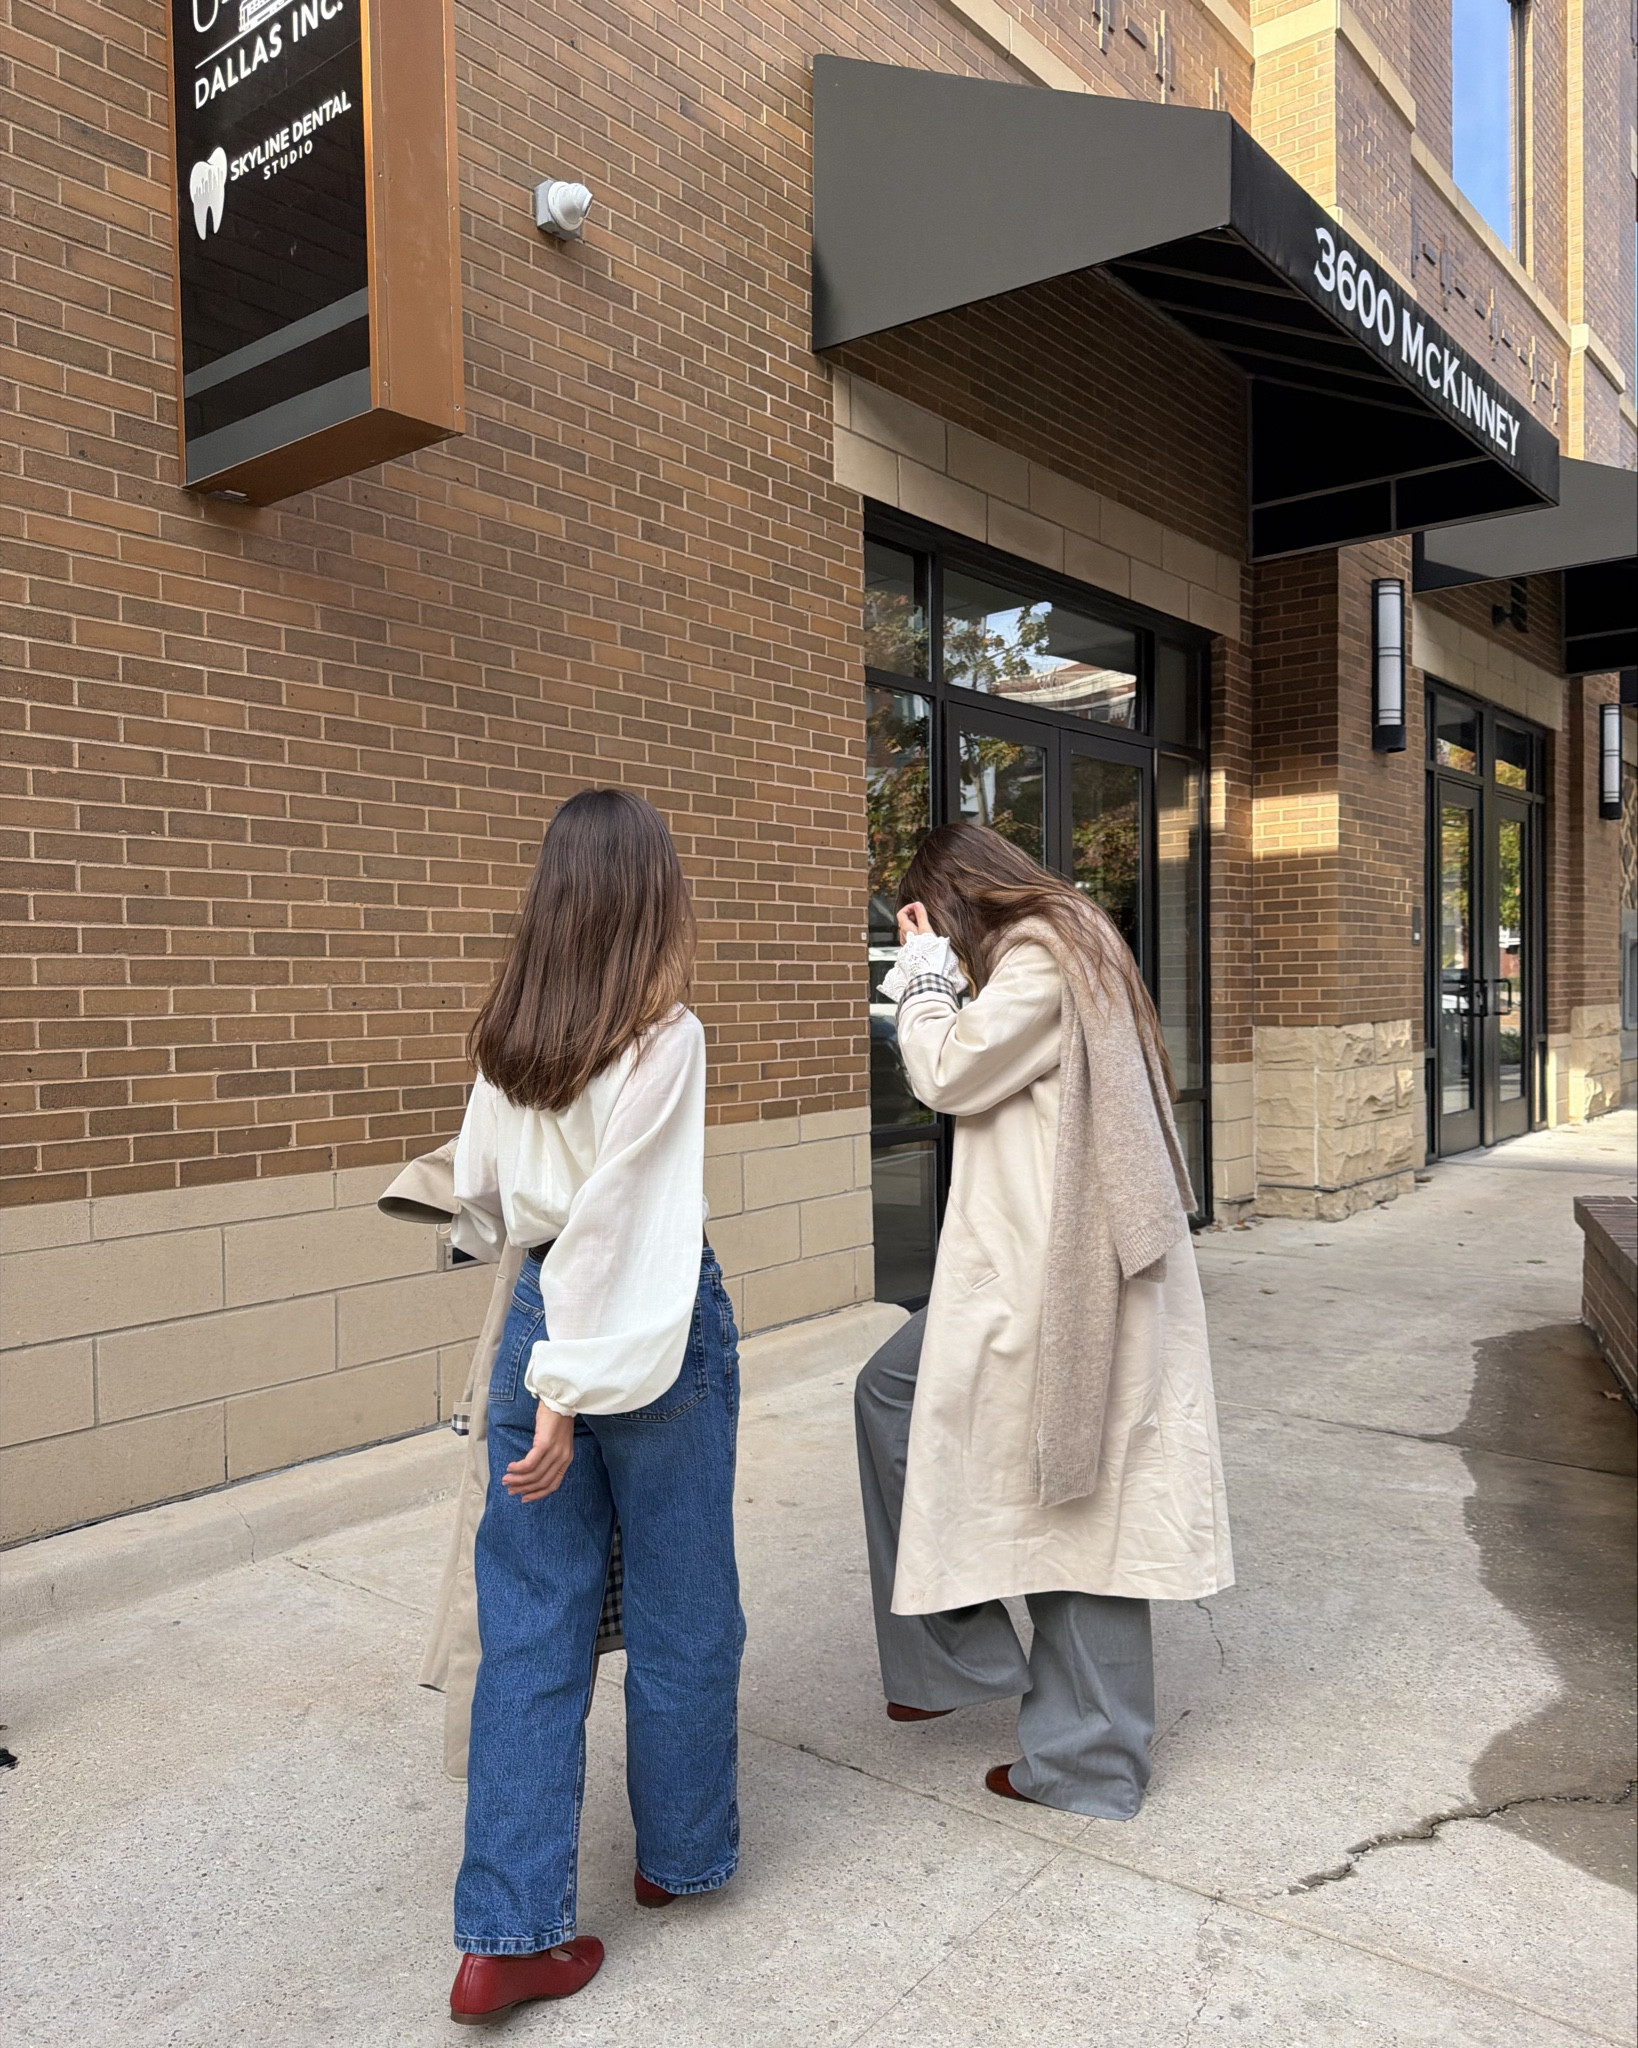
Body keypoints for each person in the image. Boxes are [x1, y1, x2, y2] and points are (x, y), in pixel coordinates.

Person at [438, 788, 744, 2027]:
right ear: (653, 891)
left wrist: (543, 1367)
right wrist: (572, 1382)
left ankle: (504, 1936)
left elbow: (479, 1194)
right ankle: (680, 1857)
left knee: (530, 1627)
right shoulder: (664, 1035)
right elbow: (630, 1223)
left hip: (539, 1333)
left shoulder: (516, 1028)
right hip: (646, 1336)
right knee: (683, 1607)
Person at [855, 822, 1233, 1818]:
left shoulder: (1040, 959)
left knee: (1078, 1497)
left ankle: (1083, 1757)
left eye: (936, 920)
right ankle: (958, 1653)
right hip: (1051, 1265)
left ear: (954, 902)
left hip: (1057, 1276)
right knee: (907, 1405)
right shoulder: (1077, 938)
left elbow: (946, 1074)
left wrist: (925, 973)